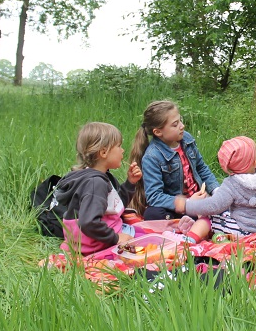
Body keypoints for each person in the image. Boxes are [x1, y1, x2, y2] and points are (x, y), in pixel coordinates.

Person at [130, 100, 218, 241]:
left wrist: (216, 190)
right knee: (152, 213)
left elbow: (202, 168)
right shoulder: (152, 156)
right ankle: (190, 223)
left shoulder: (187, 139)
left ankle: (195, 221)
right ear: (158, 132)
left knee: (227, 192)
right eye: (175, 124)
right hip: (179, 207)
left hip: (201, 198)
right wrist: (186, 204)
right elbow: (154, 196)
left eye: (180, 120)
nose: (182, 126)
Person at [52, 122, 138, 255]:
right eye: (119, 146)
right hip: (95, 244)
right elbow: (88, 223)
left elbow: (113, 207)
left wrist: (130, 183)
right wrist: (116, 238)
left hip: (86, 241)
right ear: (103, 152)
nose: (122, 150)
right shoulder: (95, 184)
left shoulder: (96, 176)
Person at [177, 136, 256, 236]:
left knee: (208, 217)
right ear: (255, 161)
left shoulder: (232, 184)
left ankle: (191, 238)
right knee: (224, 212)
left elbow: (214, 206)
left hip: (242, 230)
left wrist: (188, 205)